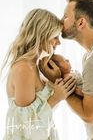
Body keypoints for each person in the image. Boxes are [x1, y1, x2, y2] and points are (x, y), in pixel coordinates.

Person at [40, 0, 93, 140]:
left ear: (81, 22)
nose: (61, 21)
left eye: (65, 17)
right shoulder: (92, 53)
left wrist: (59, 83)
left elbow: (89, 115)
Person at [1, 8, 76, 140]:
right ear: (41, 36)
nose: (58, 42)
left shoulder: (35, 66)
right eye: (55, 37)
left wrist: (55, 80)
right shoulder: (23, 68)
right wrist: (56, 97)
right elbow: (26, 125)